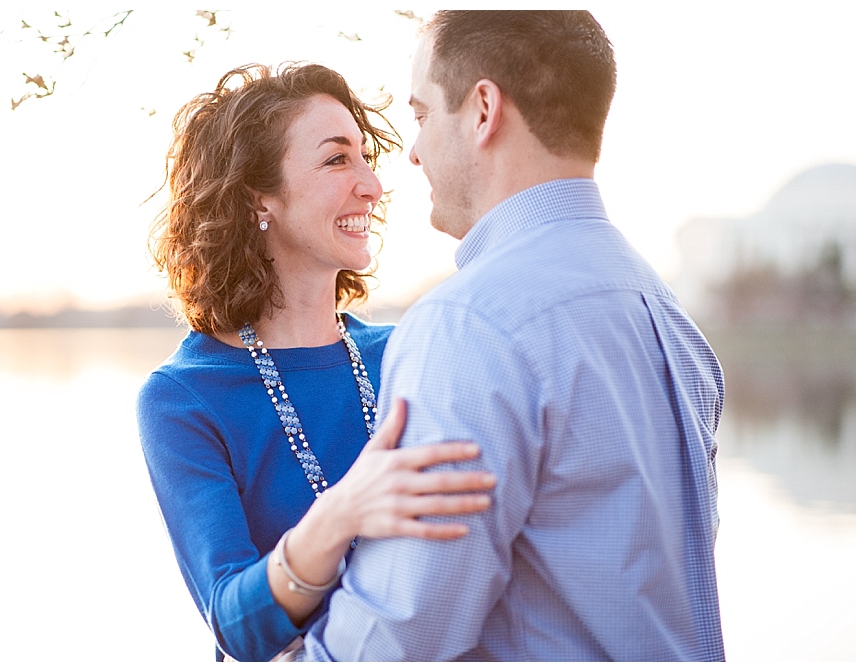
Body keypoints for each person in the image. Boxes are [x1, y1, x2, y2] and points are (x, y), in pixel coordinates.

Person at [298, 10, 726, 662]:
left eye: (420, 116)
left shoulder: (467, 328)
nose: (410, 152)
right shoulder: (668, 318)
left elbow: (396, 639)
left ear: (483, 110)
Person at [135, 63, 496, 662]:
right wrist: (344, 511)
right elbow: (236, 626)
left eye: (364, 156)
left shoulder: (410, 351)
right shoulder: (184, 398)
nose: (372, 186)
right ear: (259, 198)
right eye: (335, 160)